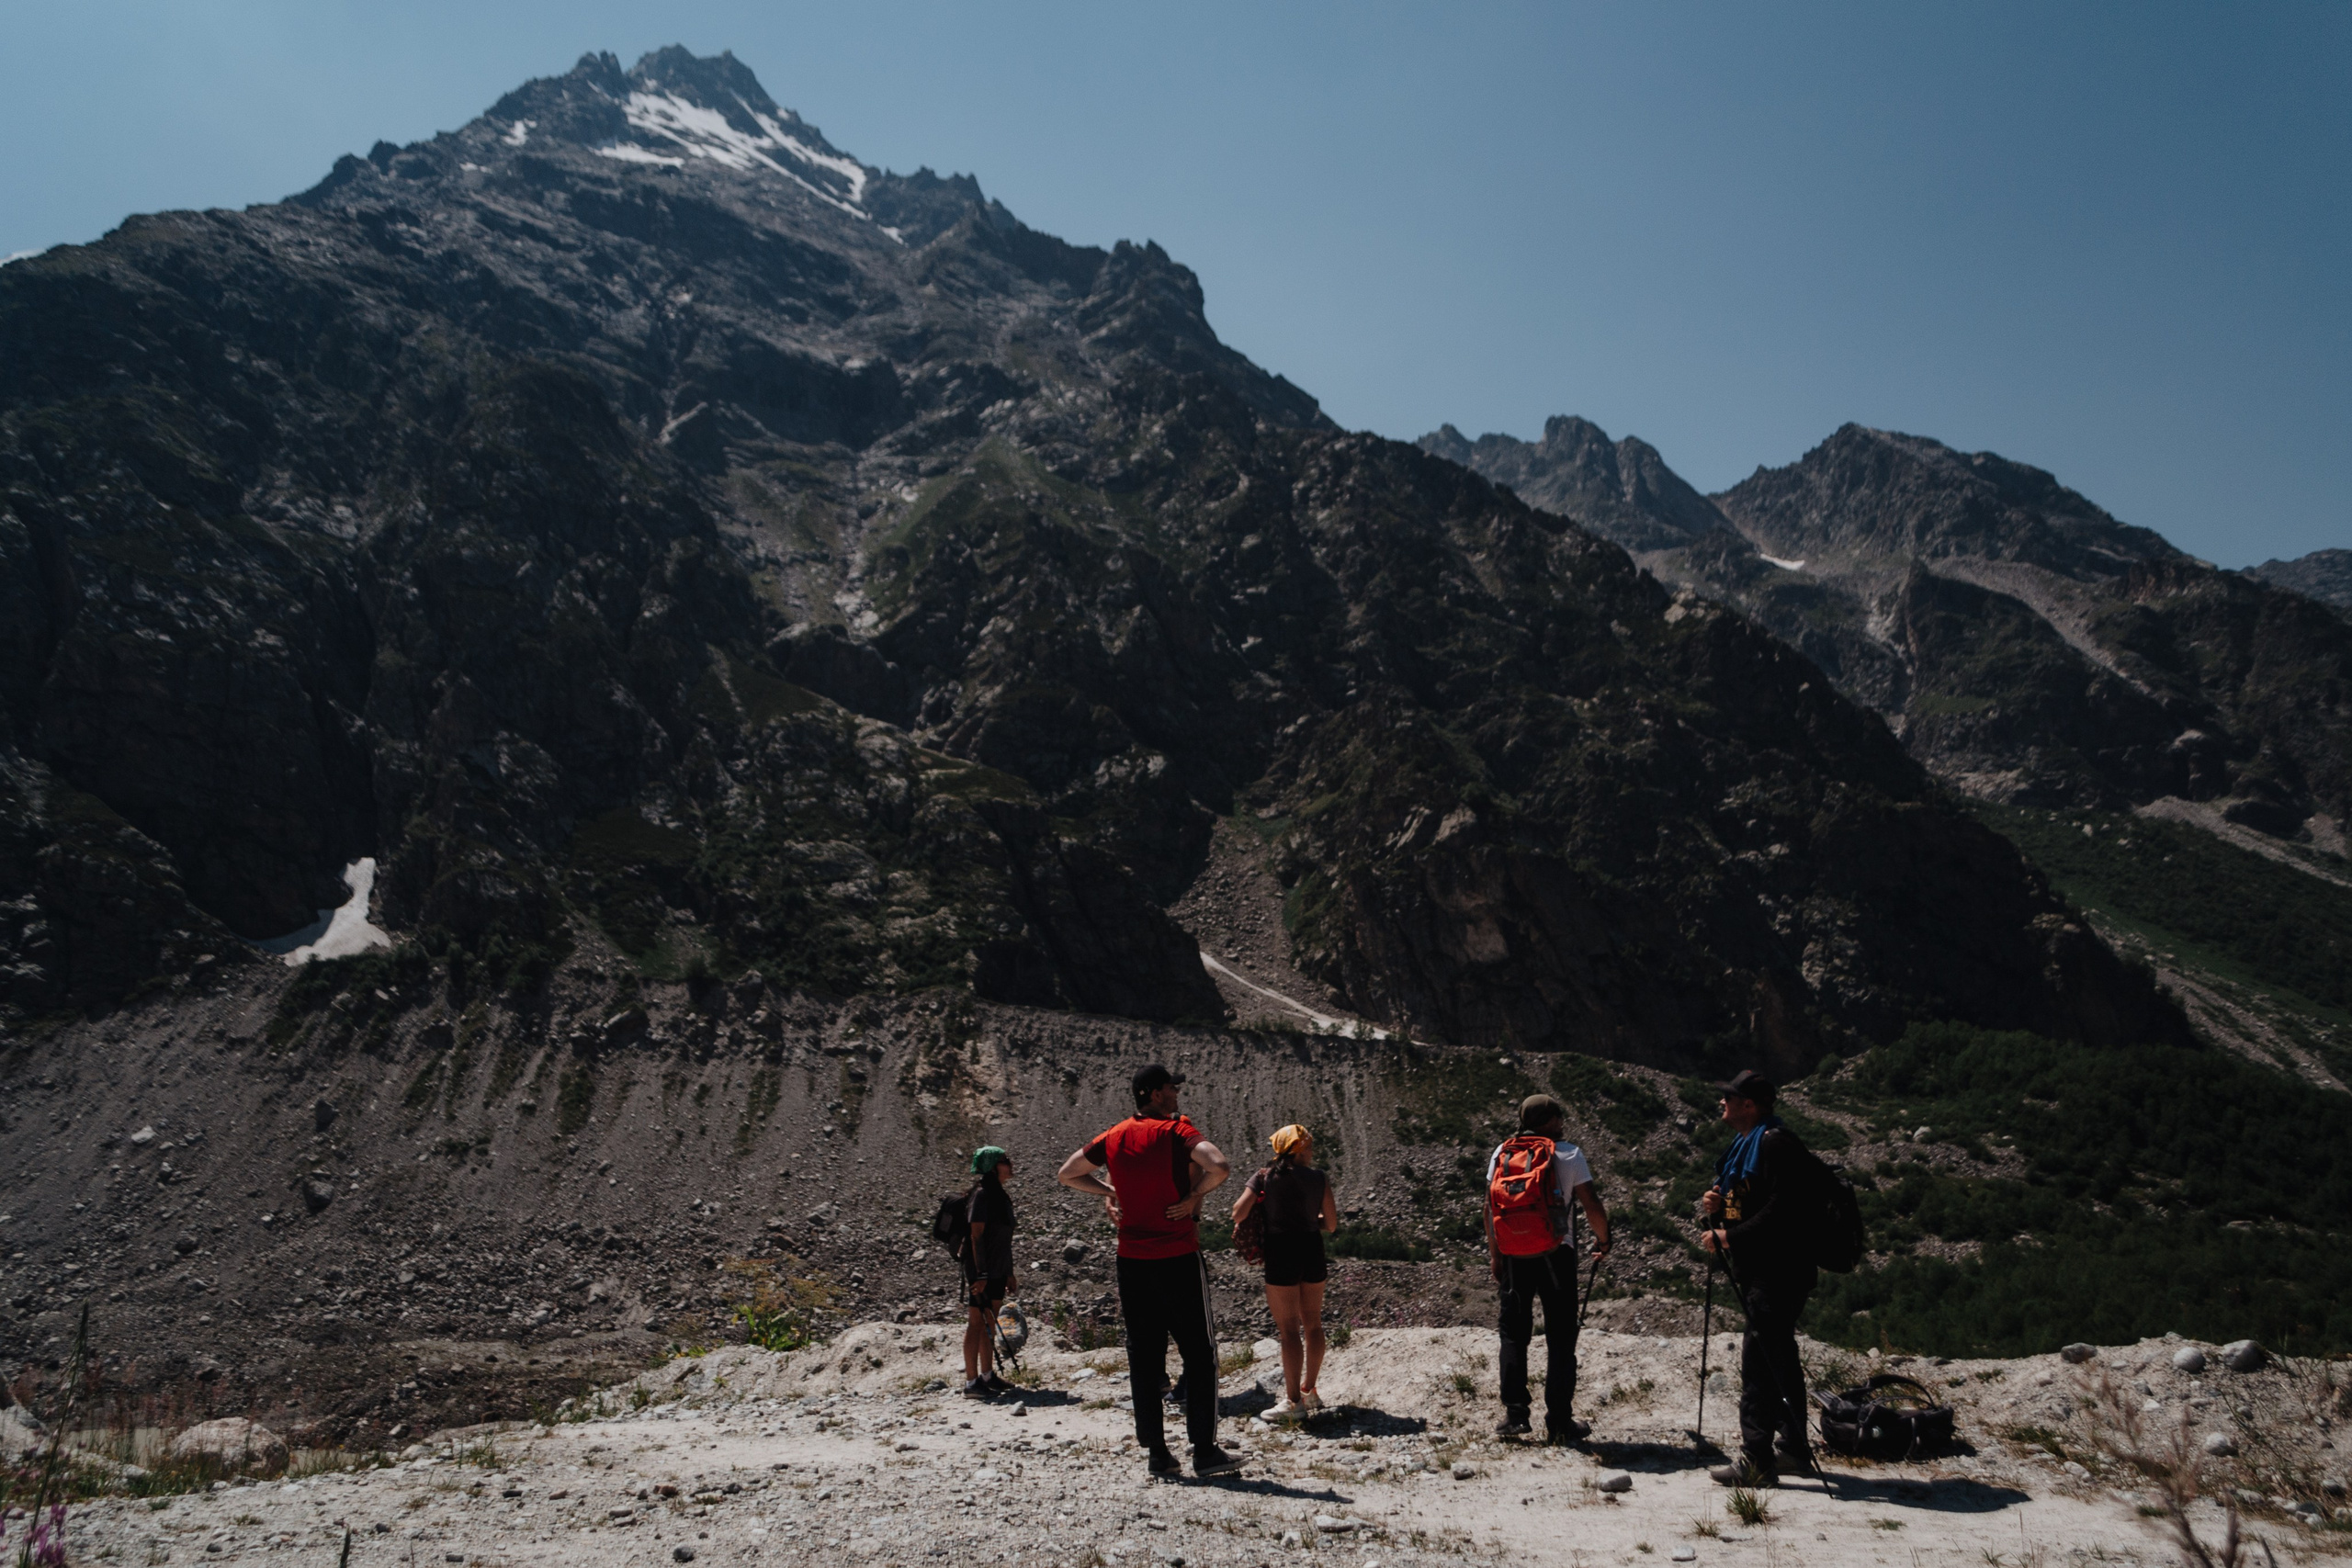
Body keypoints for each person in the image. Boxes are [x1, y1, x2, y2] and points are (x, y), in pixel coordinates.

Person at [1057, 1064, 1242, 1478]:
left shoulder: (1114, 1136)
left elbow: (1067, 1174)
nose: (1176, 1094)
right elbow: (1221, 1165)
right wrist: (1193, 1197)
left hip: (1131, 1260)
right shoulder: (1176, 1132)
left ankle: (1158, 1453)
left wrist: (1111, 1191)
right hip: (1177, 1255)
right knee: (1200, 1352)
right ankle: (1205, 1450)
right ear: (1154, 1094)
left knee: (1144, 1355)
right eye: (1170, 1088)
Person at [1698, 1070, 1817, 1486]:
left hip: (1778, 1269)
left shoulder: (1774, 1143)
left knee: (1759, 1361)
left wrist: (1728, 1235)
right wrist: (1720, 1204)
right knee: (1778, 1356)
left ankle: (1757, 1459)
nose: (1722, 1103)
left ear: (1750, 1105)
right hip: (1769, 1268)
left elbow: (1784, 1210)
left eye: (1729, 1097)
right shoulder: (1749, 1144)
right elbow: (1755, 1201)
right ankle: (1795, 1451)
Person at [1485, 1093, 1611, 1442]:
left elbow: (1488, 1209)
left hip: (1513, 1254)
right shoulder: (1569, 1153)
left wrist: (1496, 1255)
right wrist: (1604, 1241)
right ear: (1551, 1120)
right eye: (1559, 1115)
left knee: (1513, 1333)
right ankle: (1559, 1420)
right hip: (1557, 1254)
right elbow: (1591, 1205)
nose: (1562, 1122)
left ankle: (1515, 1416)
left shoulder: (1502, 1153)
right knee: (1560, 1337)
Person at [1229, 1123, 1340, 1418]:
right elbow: (1330, 1224)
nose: (1313, 1150)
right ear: (1299, 1149)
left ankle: (1293, 1404)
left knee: (1289, 1329)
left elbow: (1238, 1212)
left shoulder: (1265, 1177)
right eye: (1310, 1145)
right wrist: (1307, 1220)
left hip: (1282, 1252)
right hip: (1312, 1250)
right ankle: (1310, 1391)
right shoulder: (1319, 1178)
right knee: (1314, 1324)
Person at [959, 1145, 1018, 1398]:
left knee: (989, 1321)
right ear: (994, 1167)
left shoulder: (999, 1195)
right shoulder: (982, 1195)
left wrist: (1008, 1272)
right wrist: (980, 1274)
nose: (1010, 1164)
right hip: (981, 1271)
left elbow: (1003, 1239)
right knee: (977, 1323)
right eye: (1005, 1161)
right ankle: (972, 1383)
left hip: (996, 1269)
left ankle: (987, 1375)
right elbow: (976, 1236)